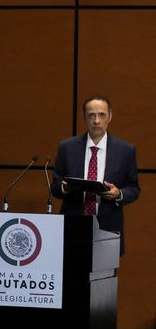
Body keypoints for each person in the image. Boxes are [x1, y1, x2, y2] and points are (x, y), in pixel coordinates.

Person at [51, 95, 140, 255]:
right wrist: (64, 187)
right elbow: (55, 187)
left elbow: (134, 188)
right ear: (84, 117)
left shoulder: (125, 150)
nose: (96, 121)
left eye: (102, 115)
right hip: (73, 225)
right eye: (91, 115)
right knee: (72, 278)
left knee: (105, 279)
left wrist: (118, 194)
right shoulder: (67, 147)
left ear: (110, 117)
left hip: (108, 228)